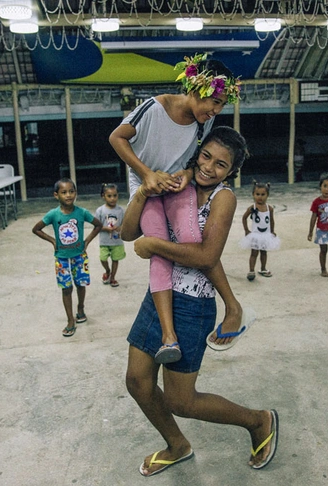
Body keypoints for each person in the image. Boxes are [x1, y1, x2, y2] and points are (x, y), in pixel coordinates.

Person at [122, 126, 278, 477]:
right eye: (206, 156)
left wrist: (156, 246)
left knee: (181, 400)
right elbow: (130, 232)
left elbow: (208, 255)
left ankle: (259, 421)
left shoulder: (224, 199)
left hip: (194, 305)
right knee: (137, 381)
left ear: (231, 171)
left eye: (221, 164)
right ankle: (177, 445)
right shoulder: (179, 182)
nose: (210, 167)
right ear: (197, 153)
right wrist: (144, 191)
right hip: (159, 295)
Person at [109, 53, 250, 364]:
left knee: (193, 241)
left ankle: (233, 305)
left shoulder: (206, 119)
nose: (215, 110)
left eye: (222, 105)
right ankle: (168, 335)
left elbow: (193, 156)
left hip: (175, 185)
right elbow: (117, 137)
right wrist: (146, 175)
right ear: (194, 86)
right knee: (159, 250)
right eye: (213, 100)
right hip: (148, 186)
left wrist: (187, 173)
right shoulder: (155, 108)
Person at [32, 178, 102, 337]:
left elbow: (98, 225)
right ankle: (70, 320)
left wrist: (87, 241)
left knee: (81, 284)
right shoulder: (53, 214)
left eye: (71, 191)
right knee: (66, 288)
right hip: (62, 259)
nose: (68, 195)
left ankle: (81, 309)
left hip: (80, 257)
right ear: (56, 195)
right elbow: (36, 229)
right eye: (64, 192)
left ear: (76, 193)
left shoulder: (82, 212)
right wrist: (52, 240)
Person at [240, 181, 280, 281]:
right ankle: (251, 270)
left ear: (267, 195)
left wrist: (272, 231)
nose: (260, 197)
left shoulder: (269, 208)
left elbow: (271, 220)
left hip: (265, 234)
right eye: (257, 194)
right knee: (254, 253)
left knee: (264, 252)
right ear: (253, 195)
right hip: (256, 234)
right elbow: (244, 218)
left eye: (263, 194)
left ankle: (263, 268)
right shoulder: (252, 208)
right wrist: (246, 230)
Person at [94, 183, 125, 287]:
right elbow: (96, 226)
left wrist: (120, 228)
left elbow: (124, 224)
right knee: (103, 258)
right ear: (103, 196)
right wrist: (105, 228)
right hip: (104, 241)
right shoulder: (100, 211)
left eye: (115, 195)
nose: (113, 199)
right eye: (109, 196)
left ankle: (112, 277)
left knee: (115, 259)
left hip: (117, 241)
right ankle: (107, 270)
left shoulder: (121, 210)